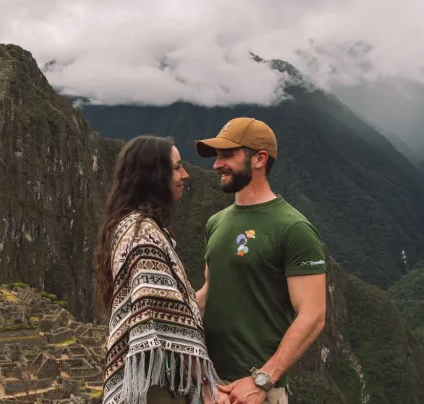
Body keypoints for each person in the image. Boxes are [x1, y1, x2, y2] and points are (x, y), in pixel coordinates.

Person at [194, 118, 327, 404]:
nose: (217, 165)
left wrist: (262, 379)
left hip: (257, 392)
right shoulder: (216, 223)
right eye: (217, 156)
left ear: (260, 159)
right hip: (211, 387)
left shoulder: (293, 229)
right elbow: (209, 290)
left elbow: (313, 314)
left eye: (227, 155)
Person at [94, 135, 223, 404]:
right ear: (154, 175)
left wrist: (209, 288)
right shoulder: (143, 236)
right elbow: (167, 320)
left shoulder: (129, 226)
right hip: (160, 387)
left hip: (154, 380)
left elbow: (165, 306)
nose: (185, 174)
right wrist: (208, 388)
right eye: (176, 167)